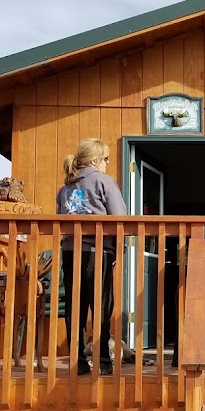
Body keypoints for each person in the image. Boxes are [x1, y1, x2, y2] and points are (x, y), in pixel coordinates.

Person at [57, 138, 127, 375]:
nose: (108, 163)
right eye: (106, 159)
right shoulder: (103, 182)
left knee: (75, 308)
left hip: (70, 253)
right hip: (98, 253)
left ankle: (77, 363)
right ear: (96, 161)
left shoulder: (65, 188)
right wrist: (119, 249)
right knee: (102, 306)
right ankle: (103, 362)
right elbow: (120, 219)